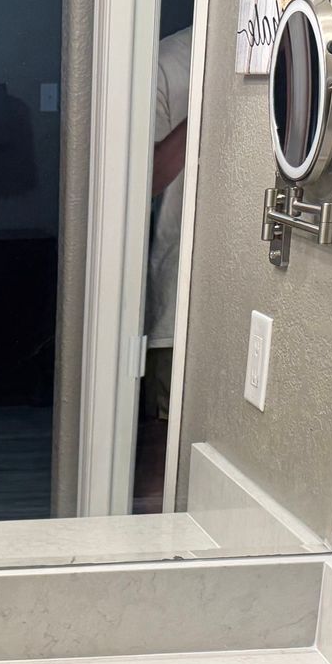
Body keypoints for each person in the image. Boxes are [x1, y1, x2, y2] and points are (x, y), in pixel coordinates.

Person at [137, 26, 193, 512]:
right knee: (164, 440)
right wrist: (205, 110)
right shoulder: (169, 61)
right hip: (181, 291)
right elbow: (144, 179)